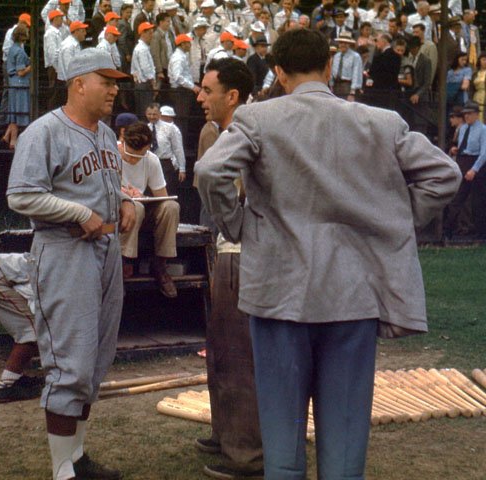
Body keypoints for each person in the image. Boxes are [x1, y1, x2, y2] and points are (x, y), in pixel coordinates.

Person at [195, 28, 461, 480]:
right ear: (331, 66)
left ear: (277, 71)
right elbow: (446, 174)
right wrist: (394, 218)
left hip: (279, 293)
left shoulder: (257, 119)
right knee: (344, 442)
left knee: (281, 443)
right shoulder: (380, 121)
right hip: (352, 295)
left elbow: (210, 170)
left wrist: (236, 224)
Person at [6, 48, 134, 480]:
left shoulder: (103, 134)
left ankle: (76, 457)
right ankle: (62, 468)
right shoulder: (44, 132)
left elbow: (107, 188)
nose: (115, 89)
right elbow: (20, 195)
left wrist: (128, 202)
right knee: (70, 363)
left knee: (96, 361)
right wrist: (79, 213)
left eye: (116, 82)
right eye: (107, 80)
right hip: (64, 250)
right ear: (79, 83)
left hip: (104, 251)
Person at [194, 57, 264, 480]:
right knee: (220, 352)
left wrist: (233, 226)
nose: (200, 97)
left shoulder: (248, 131)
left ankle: (248, 455)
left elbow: (217, 180)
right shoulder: (220, 132)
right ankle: (226, 434)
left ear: (232, 95)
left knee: (239, 357)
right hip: (228, 250)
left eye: (207, 90)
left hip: (245, 254)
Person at [118, 122, 180, 297]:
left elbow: (162, 196)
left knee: (171, 207)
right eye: (130, 156)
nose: (133, 160)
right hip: (118, 212)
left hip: (142, 210)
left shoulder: (151, 160)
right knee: (134, 207)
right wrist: (123, 194)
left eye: (139, 156)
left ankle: (161, 264)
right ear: (122, 142)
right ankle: (124, 261)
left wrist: (143, 197)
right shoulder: (110, 155)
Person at [0, 253, 44, 402]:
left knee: (31, 327)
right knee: (34, 331)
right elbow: (31, 296)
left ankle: (16, 378)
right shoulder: (54, 270)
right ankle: (6, 387)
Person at [445, 101, 486, 239]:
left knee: (478, 201)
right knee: (457, 198)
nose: (466, 117)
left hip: (476, 163)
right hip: (463, 160)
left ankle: (481, 234)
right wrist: (456, 150)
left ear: (476, 114)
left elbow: (484, 153)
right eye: (465, 114)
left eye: (469, 114)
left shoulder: (483, 130)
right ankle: (447, 231)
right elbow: (463, 146)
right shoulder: (463, 129)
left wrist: (474, 170)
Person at [0, 13, 31, 128]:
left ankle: (9, 123)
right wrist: (18, 60)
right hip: (10, 65)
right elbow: (6, 49)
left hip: (14, 63)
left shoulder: (18, 46)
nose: (27, 28)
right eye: (26, 25)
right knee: (9, 92)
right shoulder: (10, 33)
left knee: (11, 92)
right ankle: (3, 120)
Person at [145, 102, 185, 194]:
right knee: (150, 191)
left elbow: (178, 149)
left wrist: (182, 168)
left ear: (159, 114)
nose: (152, 116)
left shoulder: (170, 128)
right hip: (149, 163)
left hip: (165, 163)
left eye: (154, 114)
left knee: (167, 191)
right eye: (149, 114)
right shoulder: (145, 128)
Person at [3, 25, 32, 149]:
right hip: (20, 84)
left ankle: (9, 137)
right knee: (19, 113)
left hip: (12, 83)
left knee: (13, 113)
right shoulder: (19, 51)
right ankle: (15, 141)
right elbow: (21, 71)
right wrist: (31, 66)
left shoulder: (12, 49)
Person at [131, 22, 157, 116]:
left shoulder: (143, 47)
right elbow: (146, 68)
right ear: (143, 33)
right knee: (145, 112)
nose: (152, 35)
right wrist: (153, 82)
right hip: (144, 84)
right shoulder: (142, 49)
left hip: (143, 84)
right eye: (150, 33)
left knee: (144, 111)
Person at [329, 30, 363, 100]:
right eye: (341, 42)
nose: (343, 44)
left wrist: (352, 92)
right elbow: (332, 72)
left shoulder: (355, 56)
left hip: (347, 86)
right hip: (335, 86)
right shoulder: (336, 56)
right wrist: (331, 85)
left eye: (345, 43)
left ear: (349, 44)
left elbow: (356, 73)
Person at [472, 53, 486, 122]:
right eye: (484, 60)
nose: (485, 62)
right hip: (476, 96)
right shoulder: (475, 73)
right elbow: (472, 88)